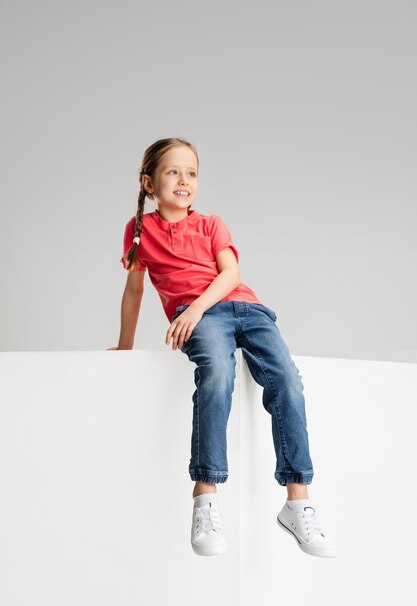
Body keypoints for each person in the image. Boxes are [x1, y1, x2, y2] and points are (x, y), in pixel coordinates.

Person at [109, 137, 336, 559]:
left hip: (244, 307)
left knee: (287, 380)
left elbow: (231, 274)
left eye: (191, 173)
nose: (184, 180)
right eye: (173, 171)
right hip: (202, 317)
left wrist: (193, 308)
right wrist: (124, 345)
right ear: (149, 182)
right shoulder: (139, 230)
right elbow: (134, 289)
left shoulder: (212, 223)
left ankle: (298, 501)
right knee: (217, 373)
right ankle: (205, 495)